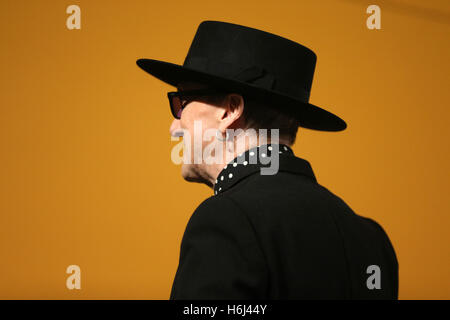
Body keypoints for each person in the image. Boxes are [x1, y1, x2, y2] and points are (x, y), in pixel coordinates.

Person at [136, 20, 398, 299]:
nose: (174, 128)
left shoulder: (226, 219)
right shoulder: (371, 240)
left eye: (181, 103)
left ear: (229, 110)